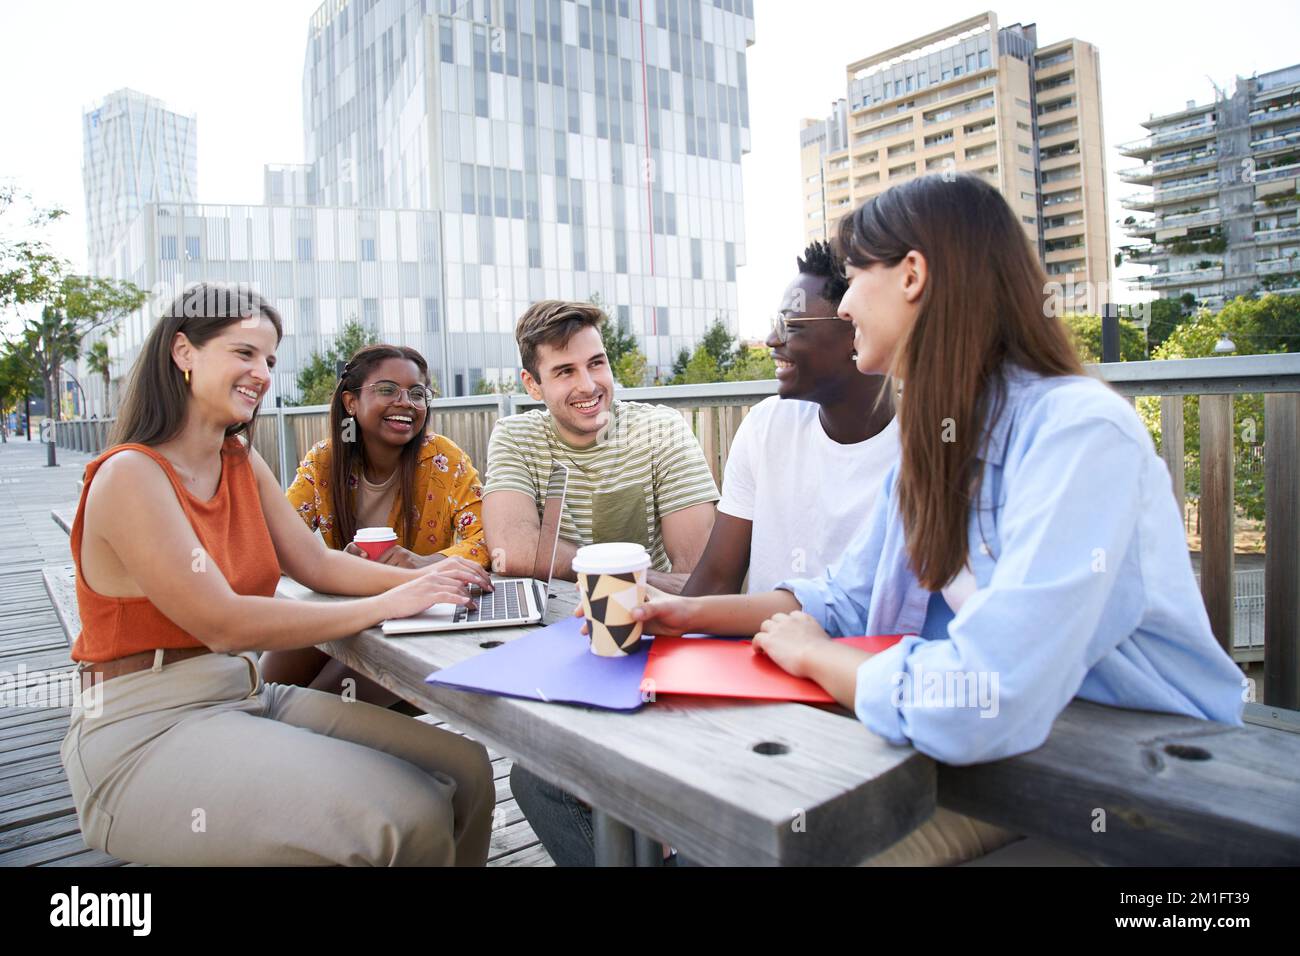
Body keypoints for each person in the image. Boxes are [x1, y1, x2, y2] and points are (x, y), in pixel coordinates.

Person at [629, 175, 1246, 865]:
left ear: (912, 275)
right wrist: (686, 615)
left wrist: (815, 656)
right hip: (998, 754)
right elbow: (846, 597)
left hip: (1127, 773)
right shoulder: (939, 441)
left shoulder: (1079, 432)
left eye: (856, 274)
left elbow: (988, 693)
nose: (848, 300)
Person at [61, 282, 495, 866]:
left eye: (268, 359)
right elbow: (223, 623)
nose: (262, 373)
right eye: (244, 353)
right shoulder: (131, 475)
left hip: (240, 693)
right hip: (143, 728)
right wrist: (387, 604)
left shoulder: (238, 459)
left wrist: (430, 583)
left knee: (465, 771)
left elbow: (314, 562)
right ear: (183, 352)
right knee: (408, 817)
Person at [261, 344, 490, 708]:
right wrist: (341, 565)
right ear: (351, 402)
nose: (406, 402)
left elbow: (484, 537)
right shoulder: (324, 461)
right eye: (387, 390)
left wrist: (425, 564)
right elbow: (277, 540)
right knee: (263, 687)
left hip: (413, 620)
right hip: (349, 608)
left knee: (318, 702)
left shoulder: (443, 459)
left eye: (417, 393)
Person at [682, 240, 898, 597]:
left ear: (856, 329)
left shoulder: (927, 447)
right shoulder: (765, 425)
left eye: (792, 326)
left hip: (866, 654)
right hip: (763, 649)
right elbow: (716, 581)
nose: (771, 340)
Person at [482, 299, 719, 593]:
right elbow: (511, 551)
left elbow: (698, 575)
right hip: (553, 620)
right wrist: (634, 577)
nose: (588, 385)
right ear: (532, 385)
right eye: (565, 371)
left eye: (596, 363)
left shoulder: (661, 430)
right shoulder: (515, 436)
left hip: (646, 616)